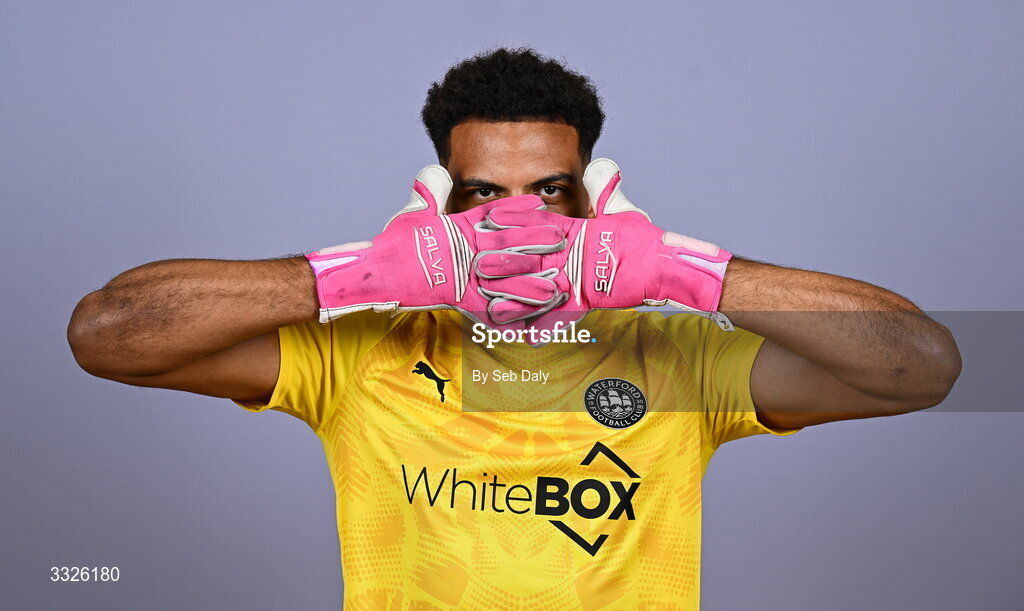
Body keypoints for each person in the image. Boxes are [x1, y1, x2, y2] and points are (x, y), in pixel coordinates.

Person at [67, 48, 961, 609]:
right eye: (485, 194)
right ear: (438, 204)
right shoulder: (362, 354)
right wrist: (355, 277)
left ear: (594, 199)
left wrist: (685, 273)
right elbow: (105, 334)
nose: (519, 223)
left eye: (550, 192)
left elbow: (923, 367)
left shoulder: (678, 360)